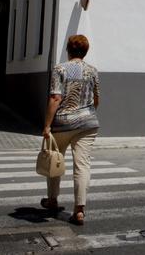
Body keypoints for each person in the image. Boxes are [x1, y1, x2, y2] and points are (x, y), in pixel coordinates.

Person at [42, 34, 101, 226]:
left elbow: (55, 98)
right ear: (85, 51)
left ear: (68, 50)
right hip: (88, 123)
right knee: (82, 165)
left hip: (62, 123)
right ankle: (79, 210)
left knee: (54, 159)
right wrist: (87, 113)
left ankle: (52, 200)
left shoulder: (60, 69)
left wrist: (47, 125)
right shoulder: (92, 71)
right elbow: (96, 98)